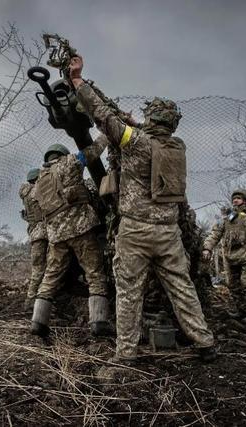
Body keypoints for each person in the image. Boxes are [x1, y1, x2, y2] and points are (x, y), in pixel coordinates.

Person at [69, 54, 216, 363]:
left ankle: (126, 354)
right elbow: (145, 135)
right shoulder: (177, 146)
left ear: (152, 121)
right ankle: (205, 343)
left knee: (129, 292)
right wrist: (136, 123)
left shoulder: (135, 142)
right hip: (168, 232)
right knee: (182, 287)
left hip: (134, 231)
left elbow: (101, 115)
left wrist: (78, 81)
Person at [29, 143, 112, 337]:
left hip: (56, 236)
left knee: (50, 277)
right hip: (80, 229)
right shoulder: (70, 163)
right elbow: (92, 151)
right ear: (62, 155)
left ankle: (38, 322)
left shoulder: (39, 180)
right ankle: (99, 322)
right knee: (95, 273)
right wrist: (107, 132)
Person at [202, 189, 246, 324]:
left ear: (245, 200)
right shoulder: (228, 217)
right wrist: (207, 248)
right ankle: (241, 310)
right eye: (234, 198)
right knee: (233, 285)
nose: (235, 200)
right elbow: (215, 233)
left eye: (238, 198)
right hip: (231, 257)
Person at [19, 168, 48, 311]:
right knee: (44, 269)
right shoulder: (38, 191)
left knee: (37, 269)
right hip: (44, 233)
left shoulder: (25, 193)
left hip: (34, 234)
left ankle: (30, 300)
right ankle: (37, 302)